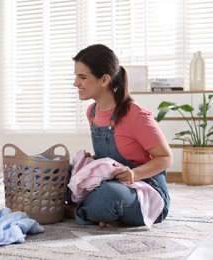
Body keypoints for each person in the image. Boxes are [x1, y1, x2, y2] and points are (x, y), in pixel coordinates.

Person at [68, 44, 173, 228]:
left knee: (111, 196)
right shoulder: (92, 112)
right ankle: (101, 213)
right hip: (112, 181)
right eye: (76, 76)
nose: (76, 83)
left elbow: (165, 158)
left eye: (82, 77)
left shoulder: (136, 115)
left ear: (104, 80)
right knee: (62, 171)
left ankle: (72, 210)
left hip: (146, 190)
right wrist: (91, 163)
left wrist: (133, 173)